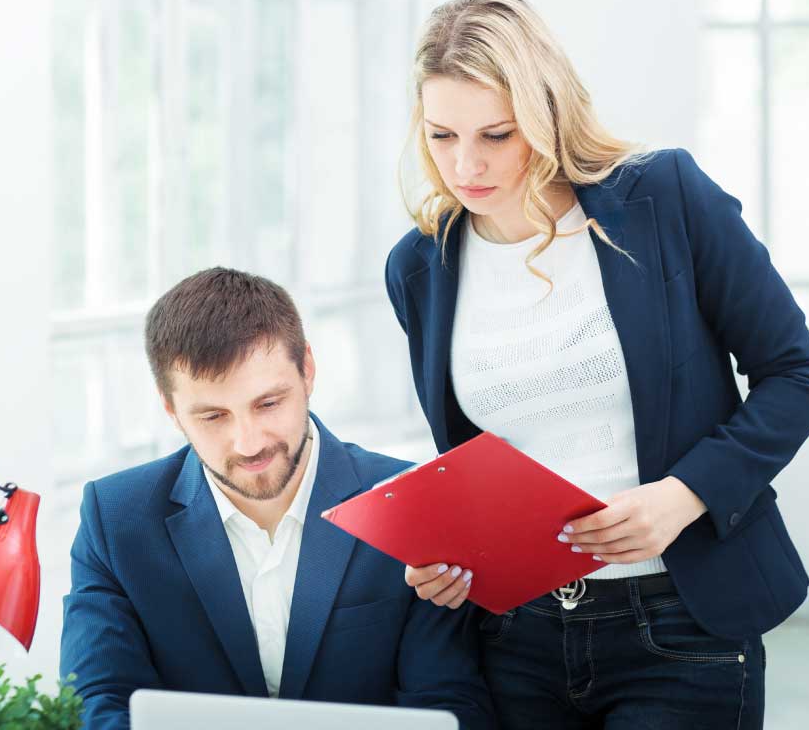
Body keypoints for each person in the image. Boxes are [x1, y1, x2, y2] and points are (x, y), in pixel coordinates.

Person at [385, 0, 809, 729]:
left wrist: (684, 494)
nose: (466, 164)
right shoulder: (421, 268)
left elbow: (796, 374)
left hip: (682, 625)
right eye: (441, 135)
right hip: (517, 639)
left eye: (497, 133)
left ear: (547, 112)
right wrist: (447, 557)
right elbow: (474, 463)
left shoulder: (663, 198)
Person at [60, 267, 496, 729]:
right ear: (171, 409)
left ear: (307, 370)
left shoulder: (411, 501)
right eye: (213, 416)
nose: (248, 443)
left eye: (268, 404)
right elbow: (98, 700)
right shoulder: (115, 519)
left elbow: (448, 704)